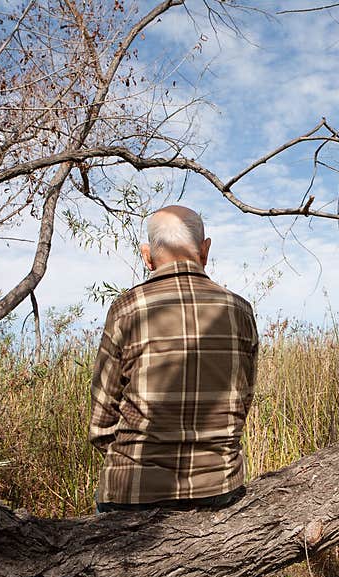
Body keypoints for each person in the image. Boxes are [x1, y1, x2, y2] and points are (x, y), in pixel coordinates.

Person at [89, 205, 258, 513]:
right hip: (218, 488)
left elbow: (101, 423)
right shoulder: (240, 311)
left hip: (133, 490)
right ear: (205, 250)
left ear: (147, 256)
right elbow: (242, 403)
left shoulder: (126, 309)